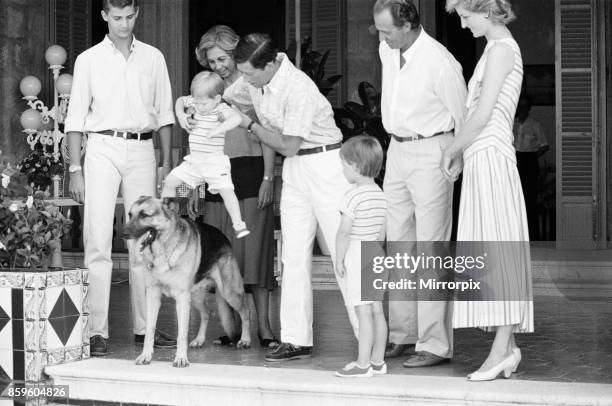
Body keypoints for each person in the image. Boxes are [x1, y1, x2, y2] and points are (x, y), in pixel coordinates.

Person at [231, 32, 359, 361]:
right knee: (292, 254)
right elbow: (227, 95)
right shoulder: (252, 79)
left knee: (346, 251)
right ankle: (295, 338)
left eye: (248, 73)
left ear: (271, 63)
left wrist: (250, 126)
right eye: (241, 72)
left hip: (327, 163)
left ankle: (370, 332)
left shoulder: (298, 86)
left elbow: (288, 143)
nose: (244, 79)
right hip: (295, 169)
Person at [65, 0, 176, 356]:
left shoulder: (153, 57)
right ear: (104, 16)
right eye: (116, 17)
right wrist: (75, 169)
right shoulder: (88, 60)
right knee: (97, 238)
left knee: (144, 241)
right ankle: (97, 330)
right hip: (101, 148)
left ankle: (147, 328)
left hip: (143, 150)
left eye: (129, 17)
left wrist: (166, 165)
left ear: (137, 14)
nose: (123, 24)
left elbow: (165, 114)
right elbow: (75, 119)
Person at [442, 0, 534, 381]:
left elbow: (482, 115)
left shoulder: (500, 51)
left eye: (466, 16)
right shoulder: (494, 51)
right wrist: (463, 151)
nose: (463, 25)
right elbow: (476, 115)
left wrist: (451, 147)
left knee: (498, 247)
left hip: (493, 154)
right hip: (484, 154)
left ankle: (502, 348)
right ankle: (506, 348)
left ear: (486, 11)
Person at [373, 0, 467, 367]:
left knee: (431, 248)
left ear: (409, 23)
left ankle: (434, 343)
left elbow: (463, 115)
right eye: (379, 30)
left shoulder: (440, 62)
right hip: (397, 148)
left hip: (433, 149)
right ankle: (401, 333)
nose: (380, 37)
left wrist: (455, 158)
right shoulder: (388, 49)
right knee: (397, 244)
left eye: (386, 30)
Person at [180, 25, 278, 348]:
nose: (218, 66)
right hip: (215, 178)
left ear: (234, 52)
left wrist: (268, 178)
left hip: (251, 175)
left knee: (254, 257)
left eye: (222, 59)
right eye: (212, 62)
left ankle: (263, 327)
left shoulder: (252, 85)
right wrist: (194, 188)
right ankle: (233, 329)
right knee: (222, 259)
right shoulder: (205, 90)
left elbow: (266, 135)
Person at [162, 71, 249, 238]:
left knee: (227, 191)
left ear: (216, 99)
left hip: (214, 162)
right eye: (196, 102)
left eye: (203, 104)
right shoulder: (196, 101)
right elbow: (180, 101)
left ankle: (238, 223)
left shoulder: (220, 109)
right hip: (194, 161)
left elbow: (236, 119)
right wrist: (181, 115)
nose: (199, 107)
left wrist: (218, 129)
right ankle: (168, 217)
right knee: (171, 181)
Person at [334, 136, 388, 378]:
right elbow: (383, 231)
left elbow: (344, 231)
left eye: (344, 165)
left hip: (357, 253)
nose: (343, 169)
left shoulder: (352, 196)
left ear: (355, 166)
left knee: (362, 311)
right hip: (376, 252)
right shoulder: (381, 194)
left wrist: (338, 258)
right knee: (377, 310)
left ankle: (362, 363)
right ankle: (378, 361)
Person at [513, 95, 549, 239]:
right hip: (514, 160)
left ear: (529, 109)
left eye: (524, 107)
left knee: (530, 197)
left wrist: (532, 157)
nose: (522, 109)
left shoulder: (535, 124)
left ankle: (531, 233)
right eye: (519, 106)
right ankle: (515, 231)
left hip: (529, 161)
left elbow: (545, 145)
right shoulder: (511, 123)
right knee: (514, 195)